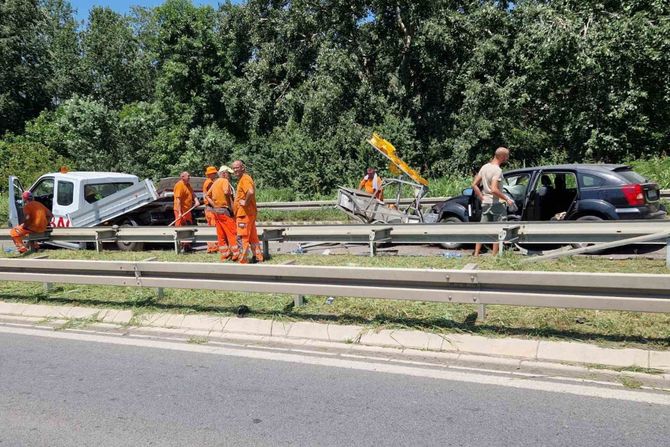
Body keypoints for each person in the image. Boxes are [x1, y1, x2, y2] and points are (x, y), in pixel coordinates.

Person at [472, 147, 514, 257]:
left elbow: (474, 185)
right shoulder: (497, 170)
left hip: (486, 203)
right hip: (496, 204)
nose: (507, 158)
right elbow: (494, 189)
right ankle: (495, 256)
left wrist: (481, 197)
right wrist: (507, 199)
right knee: (498, 230)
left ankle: (476, 254)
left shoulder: (485, 167)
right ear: (502, 156)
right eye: (507, 156)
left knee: (482, 229)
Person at [232, 160, 263, 263]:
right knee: (253, 237)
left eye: (237, 167)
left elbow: (250, 191)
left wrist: (245, 202)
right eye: (234, 168)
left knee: (242, 237)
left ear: (243, 168)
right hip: (249, 213)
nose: (235, 169)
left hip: (244, 214)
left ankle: (243, 259)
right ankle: (257, 256)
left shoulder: (245, 179)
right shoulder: (243, 179)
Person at [206, 165, 239, 261]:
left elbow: (207, 196)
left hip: (217, 212)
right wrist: (231, 207)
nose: (229, 176)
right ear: (224, 173)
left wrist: (215, 205)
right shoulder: (224, 181)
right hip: (225, 211)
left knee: (221, 234)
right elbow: (226, 192)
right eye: (228, 174)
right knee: (232, 233)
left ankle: (225, 255)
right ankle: (236, 254)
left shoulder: (215, 182)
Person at [173, 171, 200, 251]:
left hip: (187, 210)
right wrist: (180, 212)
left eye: (189, 176)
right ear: (182, 177)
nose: (189, 177)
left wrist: (196, 200)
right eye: (188, 176)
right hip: (180, 210)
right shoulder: (179, 185)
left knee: (188, 226)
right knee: (180, 228)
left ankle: (187, 245)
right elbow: (178, 200)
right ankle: (180, 246)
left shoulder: (187, 185)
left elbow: (193, 194)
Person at [203, 166, 219, 254]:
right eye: (214, 173)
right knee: (213, 227)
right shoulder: (209, 183)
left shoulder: (210, 182)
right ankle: (212, 248)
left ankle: (213, 247)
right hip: (211, 208)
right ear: (210, 174)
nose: (216, 174)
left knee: (212, 227)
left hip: (209, 208)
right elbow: (210, 196)